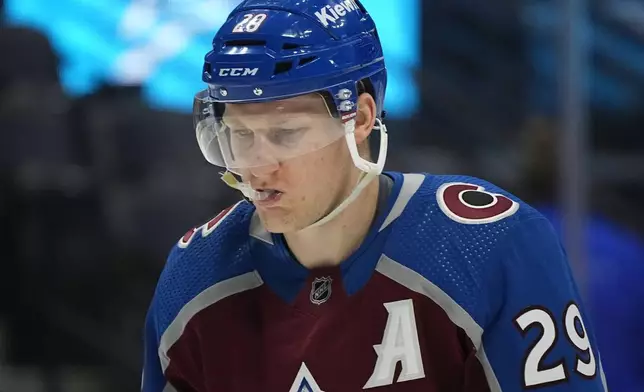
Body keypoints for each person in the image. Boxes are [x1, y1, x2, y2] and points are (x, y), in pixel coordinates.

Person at [142, 1, 609, 391]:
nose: (257, 167)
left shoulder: (493, 245)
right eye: (239, 136)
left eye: (285, 133)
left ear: (361, 118)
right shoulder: (196, 276)